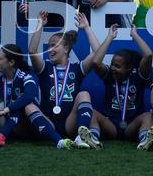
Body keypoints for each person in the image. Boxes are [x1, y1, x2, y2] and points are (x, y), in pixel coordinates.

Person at [83, 22, 153, 150]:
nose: (113, 68)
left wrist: (134, 35)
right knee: (93, 112)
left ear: (129, 68)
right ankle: (94, 139)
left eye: (117, 66)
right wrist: (110, 37)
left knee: (148, 115)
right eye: (112, 64)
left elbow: (148, 55)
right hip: (111, 125)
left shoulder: (139, 77)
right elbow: (96, 62)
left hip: (132, 126)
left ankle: (144, 141)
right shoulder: (109, 76)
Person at [28, 11, 100, 149]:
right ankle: (58, 142)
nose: (50, 49)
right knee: (29, 106)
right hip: (49, 122)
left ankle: (80, 136)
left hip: (70, 122)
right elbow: (32, 51)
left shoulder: (77, 69)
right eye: (49, 46)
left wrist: (86, 28)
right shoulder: (45, 68)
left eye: (54, 45)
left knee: (84, 94)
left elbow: (98, 52)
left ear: (66, 48)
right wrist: (40, 25)